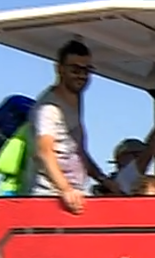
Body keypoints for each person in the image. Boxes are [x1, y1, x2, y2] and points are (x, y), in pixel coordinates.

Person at [26, 40, 119, 214]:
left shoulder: (76, 99)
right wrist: (66, 189)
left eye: (86, 70)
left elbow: (79, 151)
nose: (81, 76)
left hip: (77, 194)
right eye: (75, 70)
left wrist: (104, 180)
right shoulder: (49, 108)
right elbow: (44, 151)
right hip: (51, 198)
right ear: (59, 69)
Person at [108, 86, 155, 195]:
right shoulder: (126, 176)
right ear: (123, 158)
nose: (140, 159)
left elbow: (151, 144)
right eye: (137, 155)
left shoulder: (121, 178)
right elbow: (152, 147)